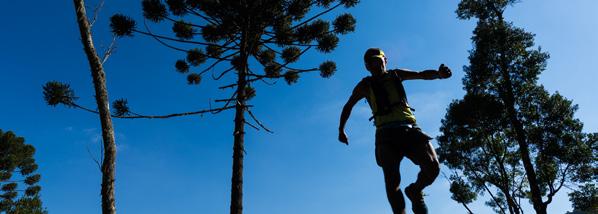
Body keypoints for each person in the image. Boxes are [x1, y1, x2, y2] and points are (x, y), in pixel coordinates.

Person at [338, 48, 452, 214]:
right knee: (391, 181)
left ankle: (415, 190)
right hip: (385, 135)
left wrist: (438, 74)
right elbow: (348, 106)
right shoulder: (364, 85)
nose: (376, 64)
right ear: (367, 67)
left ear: (386, 60)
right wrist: (341, 129)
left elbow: (421, 74)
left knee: (433, 167)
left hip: (409, 128)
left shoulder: (396, 74)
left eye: (379, 60)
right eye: (371, 62)